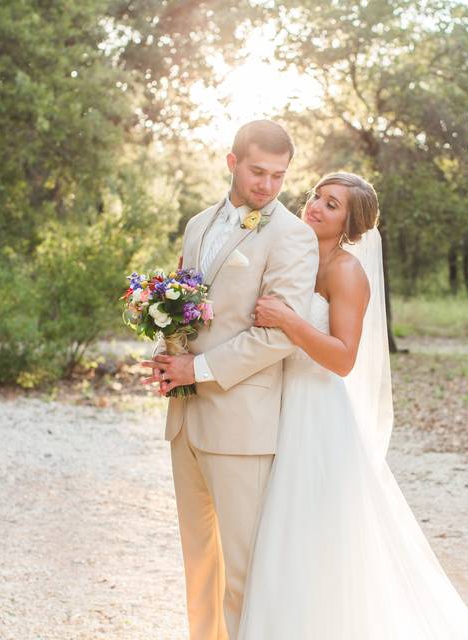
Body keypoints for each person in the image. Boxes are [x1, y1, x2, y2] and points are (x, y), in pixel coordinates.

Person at [236, 173, 468, 639]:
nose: (315, 205)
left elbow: (342, 358)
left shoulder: (346, 272)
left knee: (309, 536)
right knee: (276, 537)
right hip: (276, 401)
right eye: (316, 195)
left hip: (316, 413)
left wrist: (290, 321)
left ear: (350, 224)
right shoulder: (291, 254)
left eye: (331, 205)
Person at [140, 120, 319, 640]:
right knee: (199, 567)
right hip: (185, 420)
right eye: (258, 171)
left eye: (279, 176)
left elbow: (281, 336)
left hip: (242, 425)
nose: (267, 185)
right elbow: (184, 310)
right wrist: (166, 352)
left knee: (242, 574)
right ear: (232, 162)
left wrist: (194, 369)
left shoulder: (292, 237)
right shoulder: (197, 225)